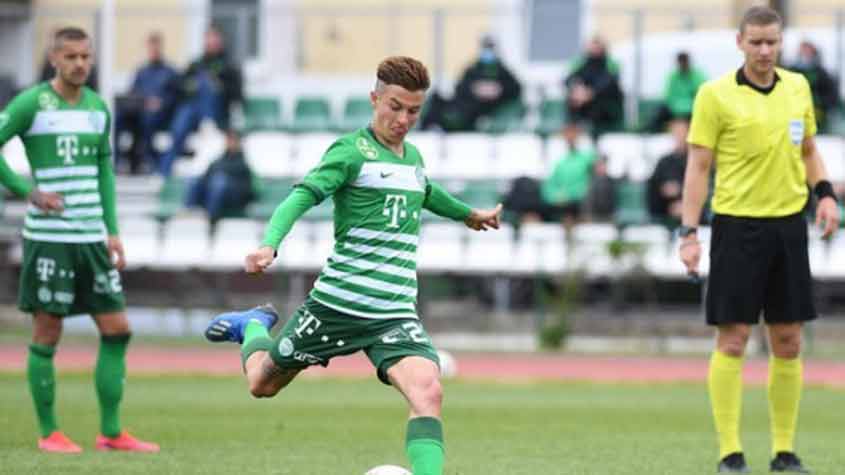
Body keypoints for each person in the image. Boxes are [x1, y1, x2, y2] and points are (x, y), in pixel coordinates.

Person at [203, 56, 502, 475]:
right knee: (262, 384)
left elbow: (425, 190)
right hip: (336, 306)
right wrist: (270, 243)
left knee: (428, 392)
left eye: (413, 110)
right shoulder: (350, 152)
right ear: (374, 98)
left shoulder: (412, 157)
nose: (403, 118)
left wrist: (469, 215)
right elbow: (302, 196)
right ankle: (252, 326)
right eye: (394, 106)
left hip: (393, 312)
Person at [680, 6, 838, 473]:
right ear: (740, 42)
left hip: (789, 227)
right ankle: (730, 453)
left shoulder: (798, 88)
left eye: (772, 42)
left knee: (788, 340)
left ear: (781, 41)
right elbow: (698, 167)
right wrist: (689, 232)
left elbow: (808, 150)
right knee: (733, 340)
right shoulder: (715, 95)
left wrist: (824, 194)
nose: (765, 51)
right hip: (736, 227)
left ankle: (784, 453)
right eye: (756, 43)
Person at [0, 27, 159, 453]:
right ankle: (49, 431)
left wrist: (111, 229)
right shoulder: (32, 103)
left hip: (91, 239)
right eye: (70, 57)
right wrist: (27, 191)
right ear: (54, 58)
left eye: (85, 57)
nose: (80, 64)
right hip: (50, 239)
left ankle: (110, 431)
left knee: (118, 329)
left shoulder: (96, 108)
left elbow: (104, 171)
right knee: (47, 333)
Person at [159, 26, 243, 176]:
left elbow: (237, 94)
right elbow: (182, 87)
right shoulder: (196, 64)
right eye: (208, 39)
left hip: (219, 112)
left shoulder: (229, 66)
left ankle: (207, 121)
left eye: (214, 39)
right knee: (181, 123)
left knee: (206, 86)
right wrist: (193, 86)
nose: (211, 43)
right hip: (193, 112)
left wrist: (218, 85)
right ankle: (163, 172)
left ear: (220, 41)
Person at [420, 35, 522, 132]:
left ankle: (450, 124)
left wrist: (498, 89)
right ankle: (430, 128)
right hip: (465, 102)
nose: (487, 51)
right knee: (437, 98)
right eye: (485, 47)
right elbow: (460, 87)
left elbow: (516, 88)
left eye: (490, 47)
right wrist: (475, 88)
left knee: (464, 112)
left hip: (483, 108)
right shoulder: (473, 69)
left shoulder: (502, 71)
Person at [113, 32, 178, 174]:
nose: (153, 51)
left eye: (155, 47)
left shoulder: (170, 72)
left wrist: (161, 103)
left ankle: (147, 160)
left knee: (147, 120)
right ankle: (115, 161)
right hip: (139, 111)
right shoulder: (141, 71)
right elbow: (132, 92)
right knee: (118, 118)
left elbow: (175, 97)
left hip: (160, 116)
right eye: (150, 47)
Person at [184, 128, 255, 227]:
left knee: (220, 182)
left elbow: (247, 190)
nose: (230, 143)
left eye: (233, 140)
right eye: (229, 140)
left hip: (233, 200)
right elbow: (205, 178)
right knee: (194, 180)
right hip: (213, 195)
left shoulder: (243, 164)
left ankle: (210, 218)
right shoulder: (218, 160)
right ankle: (188, 211)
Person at [564, 36, 624, 138]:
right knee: (572, 100)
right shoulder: (581, 63)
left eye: (597, 46)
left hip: (607, 106)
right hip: (584, 103)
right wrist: (577, 90)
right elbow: (569, 79)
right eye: (592, 46)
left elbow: (609, 84)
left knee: (598, 103)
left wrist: (590, 93)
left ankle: (591, 134)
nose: (594, 49)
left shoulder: (611, 63)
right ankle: (573, 133)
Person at [788, 40, 839, 133]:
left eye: (807, 51)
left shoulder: (821, 73)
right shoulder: (791, 71)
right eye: (802, 51)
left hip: (818, 116)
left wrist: (821, 104)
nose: (804, 54)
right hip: (795, 116)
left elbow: (832, 94)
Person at [648, 52, 707, 132]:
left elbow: (702, 95)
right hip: (676, 110)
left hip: (693, 109)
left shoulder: (697, 76)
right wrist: (679, 110)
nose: (683, 65)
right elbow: (669, 96)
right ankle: (651, 132)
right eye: (681, 62)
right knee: (659, 113)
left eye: (684, 62)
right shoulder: (673, 77)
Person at [647, 119, 690, 227]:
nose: (679, 136)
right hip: (665, 213)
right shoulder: (664, 161)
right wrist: (663, 190)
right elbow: (653, 187)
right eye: (676, 132)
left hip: (693, 216)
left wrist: (681, 192)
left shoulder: (695, 161)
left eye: (683, 132)